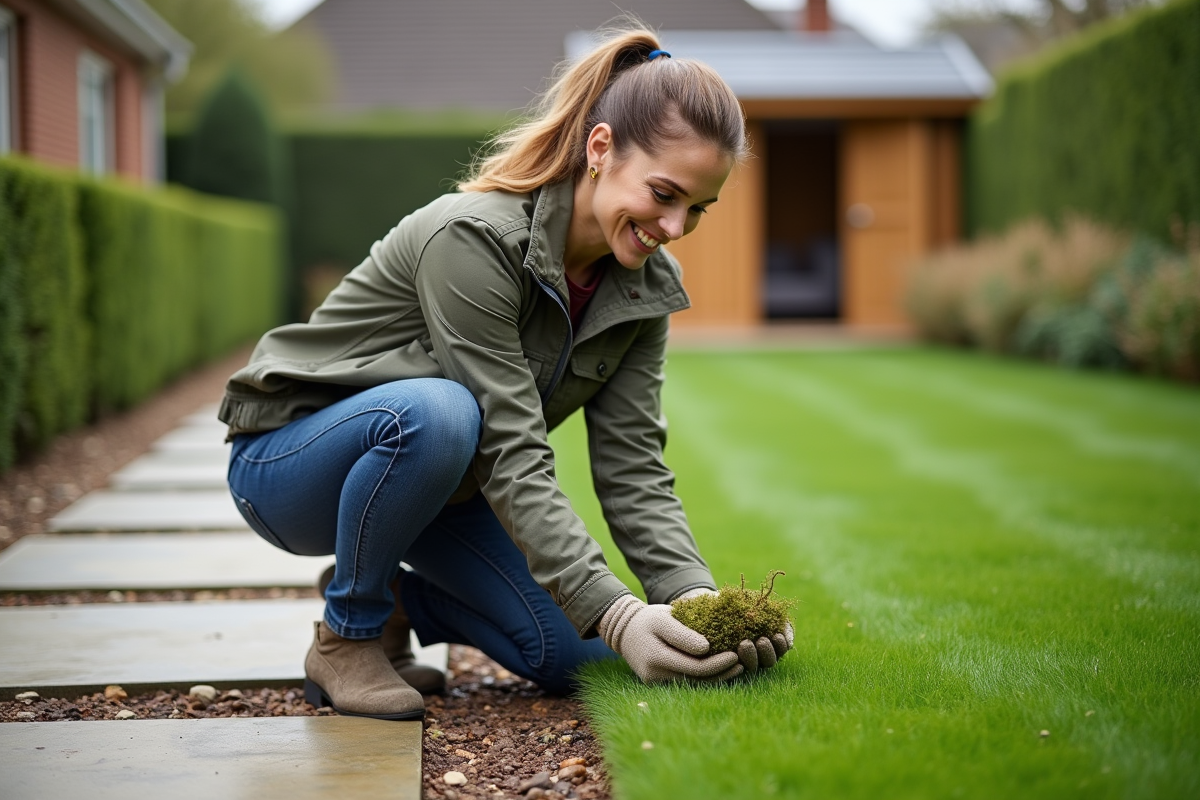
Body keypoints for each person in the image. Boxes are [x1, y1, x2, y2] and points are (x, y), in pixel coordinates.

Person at [220, 26, 793, 722]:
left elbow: (633, 464)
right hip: (290, 466)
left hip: (437, 488)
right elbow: (510, 446)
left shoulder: (644, 287)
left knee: (582, 657)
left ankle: (402, 601)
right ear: (602, 147)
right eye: (665, 194)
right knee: (441, 413)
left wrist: (692, 601)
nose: (675, 227)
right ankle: (349, 636)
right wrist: (614, 610)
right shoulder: (474, 240)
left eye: (697, 209)